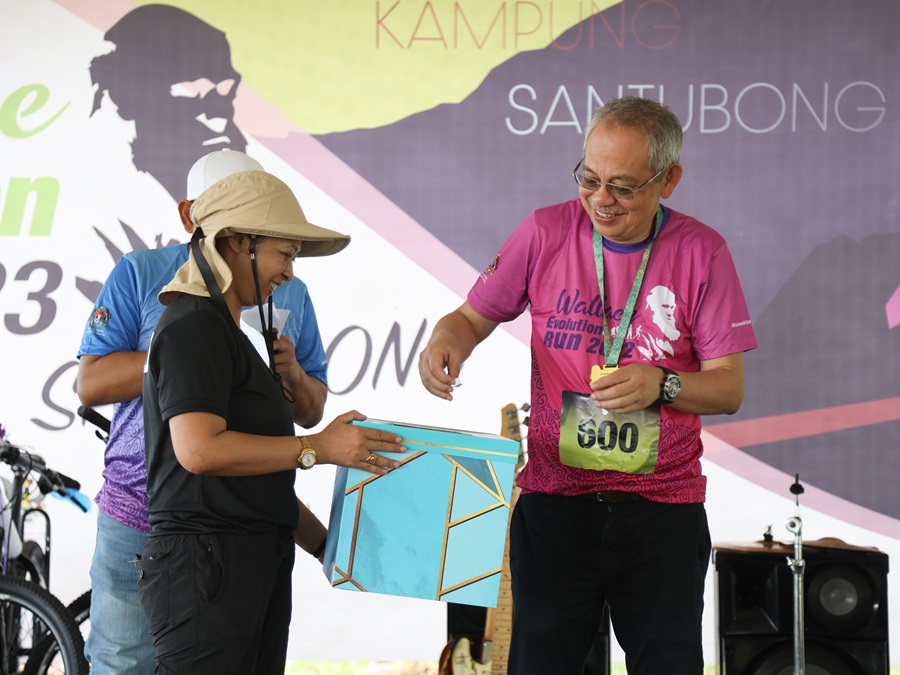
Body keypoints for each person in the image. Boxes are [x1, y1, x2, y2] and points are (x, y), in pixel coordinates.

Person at [418, 97, 758, 674]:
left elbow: (728, 389)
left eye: (623, 187)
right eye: (589, 179)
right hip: (556, 504)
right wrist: (446, 340)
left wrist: (662, 385)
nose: (601, 199)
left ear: (668, 180)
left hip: (662, 510)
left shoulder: (703, 251)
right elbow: (471, 317)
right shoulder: (545, 231)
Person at [75, 150, 383, 674]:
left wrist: (327, 547)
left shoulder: (227, 330)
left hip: (240, 567)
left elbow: (256, 485)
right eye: (286, 254)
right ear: (240, 243)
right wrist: (319, 449)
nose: (290, 273)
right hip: (200, 567)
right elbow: (198, 451)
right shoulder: (192, 325)